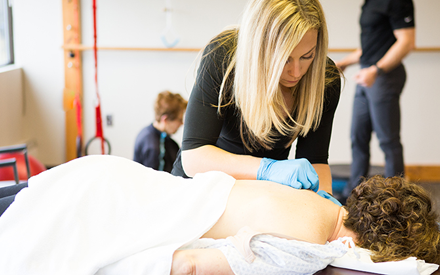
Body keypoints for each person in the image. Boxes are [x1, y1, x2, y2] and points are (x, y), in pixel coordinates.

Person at [0, 155, 438, 274]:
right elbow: (187, 267)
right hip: (107, 211)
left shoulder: (324, 199)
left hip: (109, 177)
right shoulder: (307, 249)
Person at [171, 0, 342, 194]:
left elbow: (315, 160)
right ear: (258, 49)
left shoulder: (324, 80)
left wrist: (323, 199)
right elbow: (194, 157)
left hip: (260, 195)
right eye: (284, 59)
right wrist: (267, 169)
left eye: (307, 56)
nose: (296, 72)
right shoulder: (223, 57)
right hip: (201, 187)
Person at [335, 0, 416, 201]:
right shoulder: (370, 3)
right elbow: (370, 46)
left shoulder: (397, 2)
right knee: (358, 137)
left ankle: (396, 198)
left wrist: (376, 70)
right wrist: (344, 62)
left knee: (388, 140)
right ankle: (354, 194)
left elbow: (406, 41)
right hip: (367, 75)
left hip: (384, 76)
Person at [134, 90, 187, 173]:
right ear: (165, 119)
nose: (182, 123)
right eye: (179, 120)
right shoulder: (152, 147)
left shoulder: (148, 132)